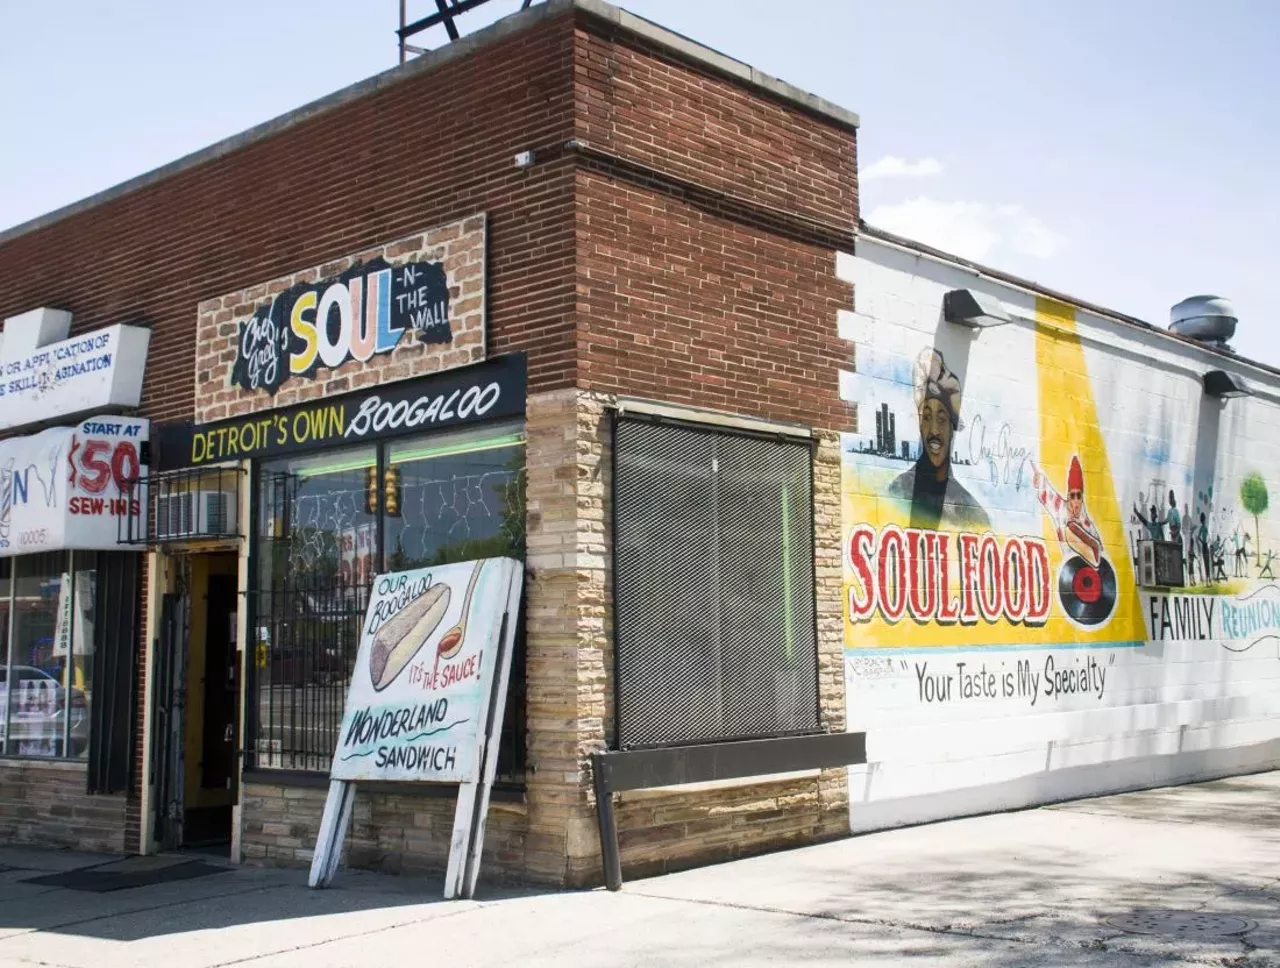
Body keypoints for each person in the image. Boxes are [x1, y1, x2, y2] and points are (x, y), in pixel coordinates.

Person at [886, 348, 990, 531]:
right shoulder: (898, 492)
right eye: (926, 417)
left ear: (952, 428)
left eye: (942, 420)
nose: (934, 430)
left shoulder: (972, 512)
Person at [1035, 455, 1104, 567]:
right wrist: (1040, 481)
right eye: (1073, 495)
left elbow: (1100, 551)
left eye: (1078, 496)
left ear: (1082, 499)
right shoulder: (1060, 509)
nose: (1075, 500)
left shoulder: (1087, 523)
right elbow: (1048, 494)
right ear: (1068, 496)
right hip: (1068, 568)